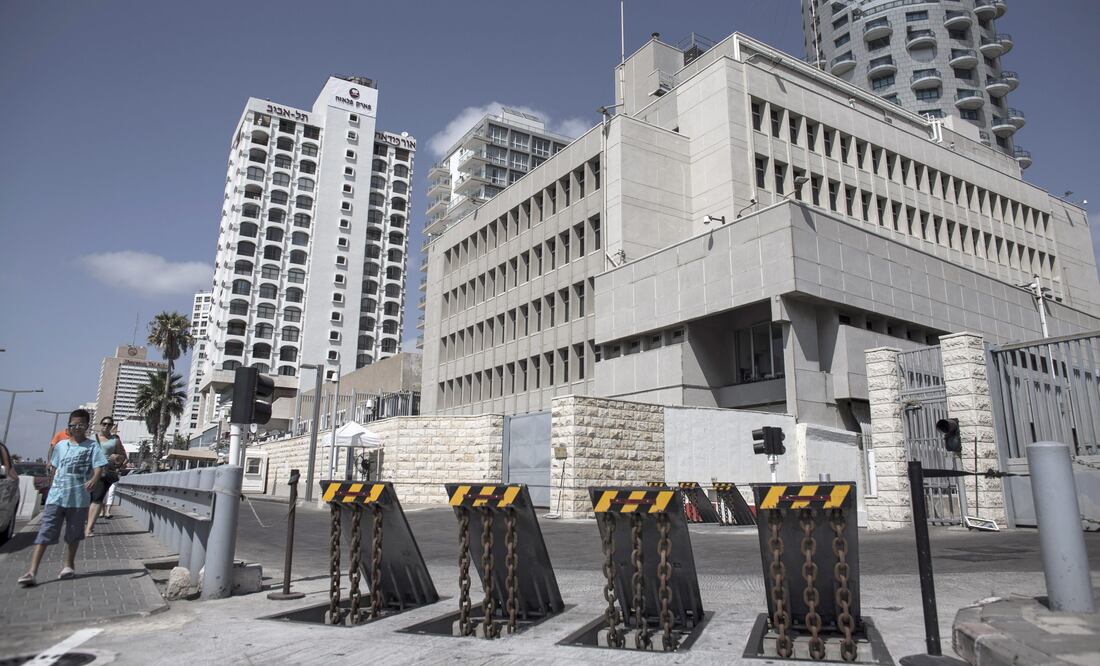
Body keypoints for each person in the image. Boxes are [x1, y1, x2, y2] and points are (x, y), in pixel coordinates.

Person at [18, 409, 107, 587]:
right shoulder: (61, 446)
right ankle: (32, 571)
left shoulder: (92, 446)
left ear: (87, 426)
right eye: (73, 425)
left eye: (81, 425)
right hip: (56, 497)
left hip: (79, 499)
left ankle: (69, 565)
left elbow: (99, 467)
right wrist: (51, 486)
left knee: (73, 535)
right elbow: (55, 467)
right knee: (45, 532)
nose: (77, 428)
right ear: (69, 426)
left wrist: (94, 479)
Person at [86, 416, 126, 535]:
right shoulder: (91, 438)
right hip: (90, 471)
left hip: (105, 472)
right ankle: (87, 521)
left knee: (97, 498)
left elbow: (123, 457)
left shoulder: (115, 440)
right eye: (104, 423)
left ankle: (89, 527)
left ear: (112, 426)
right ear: (100, 424)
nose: (106, 426)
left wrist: (116, 458)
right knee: (88, 498)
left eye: (109, 424)